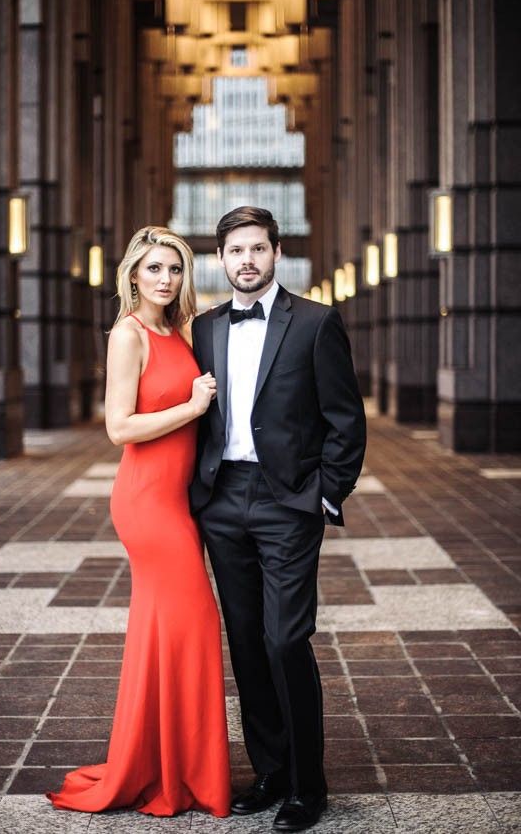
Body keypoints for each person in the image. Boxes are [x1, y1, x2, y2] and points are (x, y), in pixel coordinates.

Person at [190, 206, 366, 833]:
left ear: (275, 253)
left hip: (288, 501)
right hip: (223, 500)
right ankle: (269, 771)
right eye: (235, 250)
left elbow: (346, 418)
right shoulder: (204, 328)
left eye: (257, 249)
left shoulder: (316, 323)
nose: (246, 260)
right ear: (221, 258)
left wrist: (325, 493)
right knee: (244, 641)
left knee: (285, 638)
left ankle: (306, 785)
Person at [46, 226, 231, 817]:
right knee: (196, 622)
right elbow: (119, 428)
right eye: (154, 269)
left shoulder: (179, 330)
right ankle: (181, 773)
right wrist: (192, 406)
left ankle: (163, 761)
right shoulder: (128, 335)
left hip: (180, 500)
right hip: (147, 502)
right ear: (133, 275)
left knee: (164, 632)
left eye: (174, 269)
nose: (165, 279)